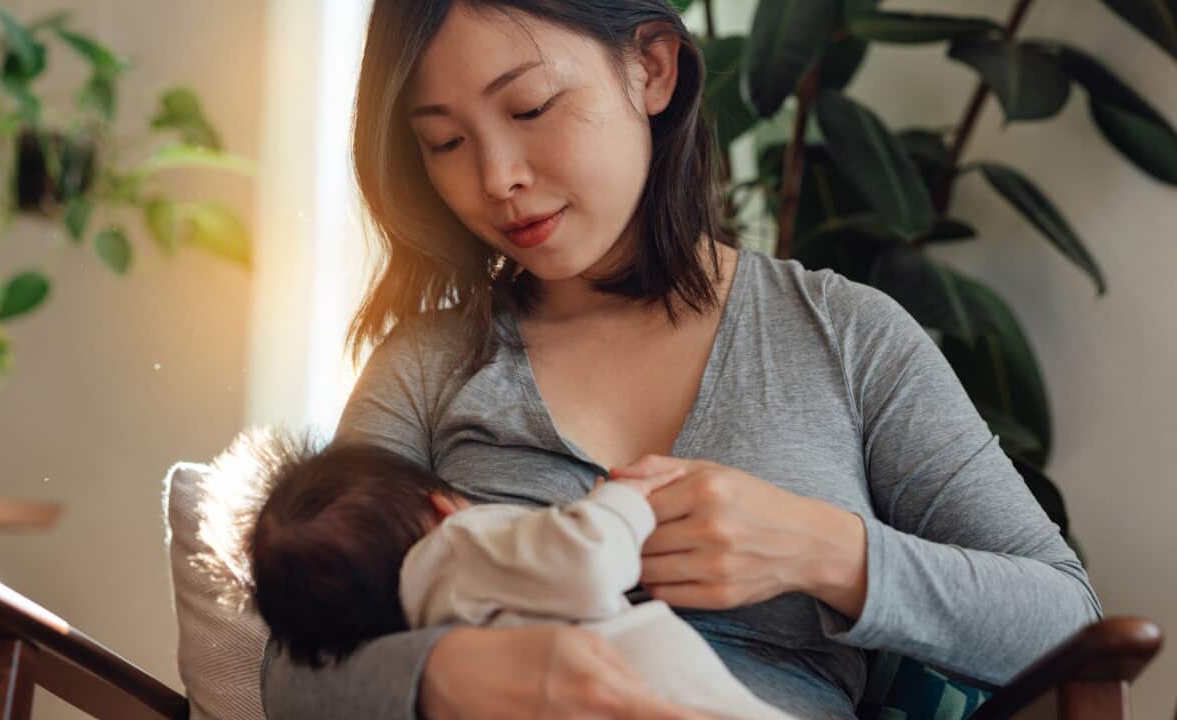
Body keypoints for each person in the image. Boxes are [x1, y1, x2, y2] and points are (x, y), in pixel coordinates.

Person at [261, 0, 1105, 718]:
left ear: (653, 70)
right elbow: (291, 668)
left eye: (530, 107)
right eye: (445, 142)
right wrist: (449, 675)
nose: (496, 177)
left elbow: (1068, 622)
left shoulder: (847, 335)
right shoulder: (427, 366)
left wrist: (824, 550)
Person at [247, 441, 799, 720]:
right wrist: (620, 503)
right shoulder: (456, 544)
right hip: (656, 684)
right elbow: (586, 561)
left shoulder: (423, 616)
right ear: (441, 505)